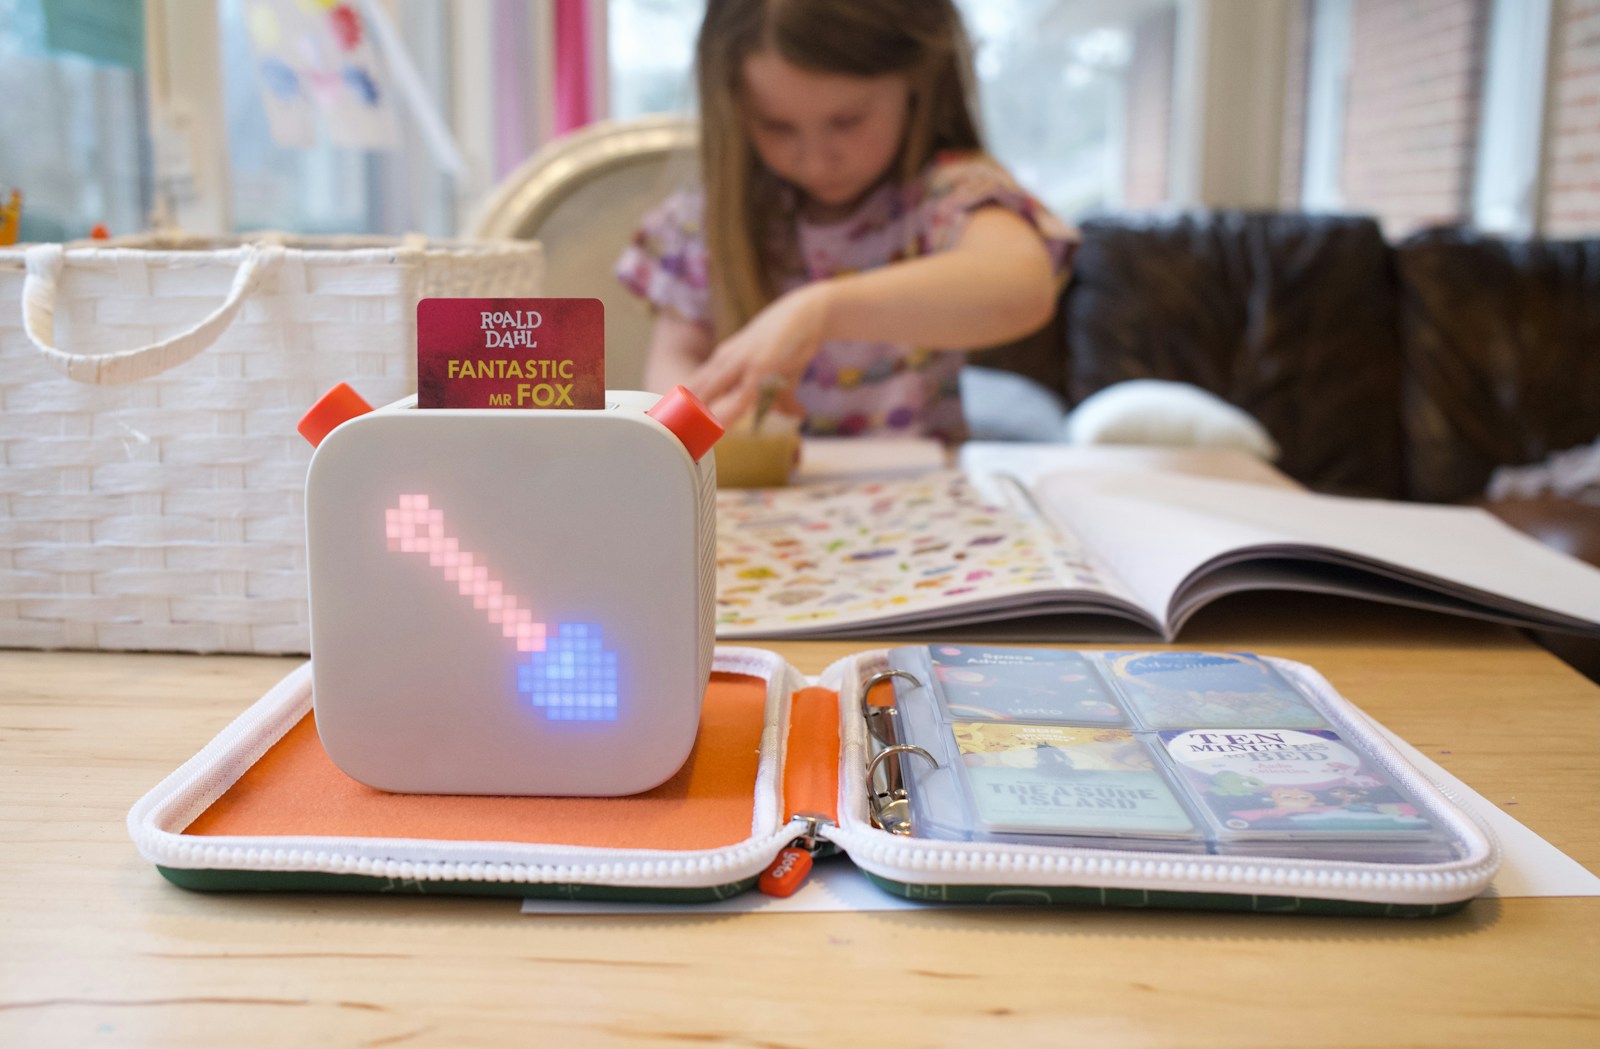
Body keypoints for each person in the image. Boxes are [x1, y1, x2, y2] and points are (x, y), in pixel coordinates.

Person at [615, 0, 1076, 441]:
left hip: (915, 500)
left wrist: (820, 310)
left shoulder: (947, 196)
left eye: (847, 121)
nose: (816, 161)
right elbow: (675, 360)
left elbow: (1024, 287)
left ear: (915, 80)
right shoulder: (702, 224)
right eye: (776, 126)